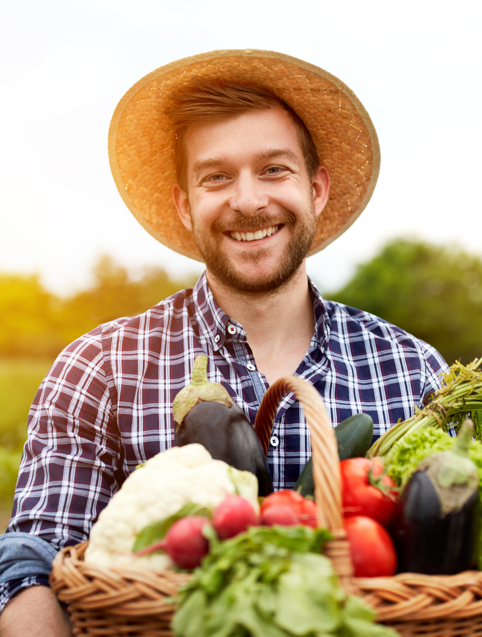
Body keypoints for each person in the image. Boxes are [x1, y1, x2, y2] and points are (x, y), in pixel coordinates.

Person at [0, 49, 447, 634]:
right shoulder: (98, 369)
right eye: (217, 177)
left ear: (316, 190)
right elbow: (32, 563)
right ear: (186, 206)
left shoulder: (415, 372)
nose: (247, 200)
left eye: (273, 170)